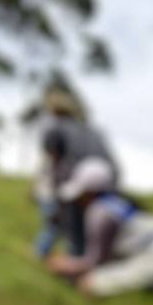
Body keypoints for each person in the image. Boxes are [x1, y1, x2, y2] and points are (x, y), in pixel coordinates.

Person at [43, 158, 153, 298]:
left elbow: (94, 262)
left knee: (90, 284)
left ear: (88, 192)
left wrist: (64, 265)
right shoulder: (119, 203)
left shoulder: (99, 212)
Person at [34, 84, 118, 258]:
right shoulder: (93, 131)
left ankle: (49, 256)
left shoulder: (56, 130)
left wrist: (54, 192)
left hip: (76, 183)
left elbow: (54, 161)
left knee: (62, 225)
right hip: (105, 185)